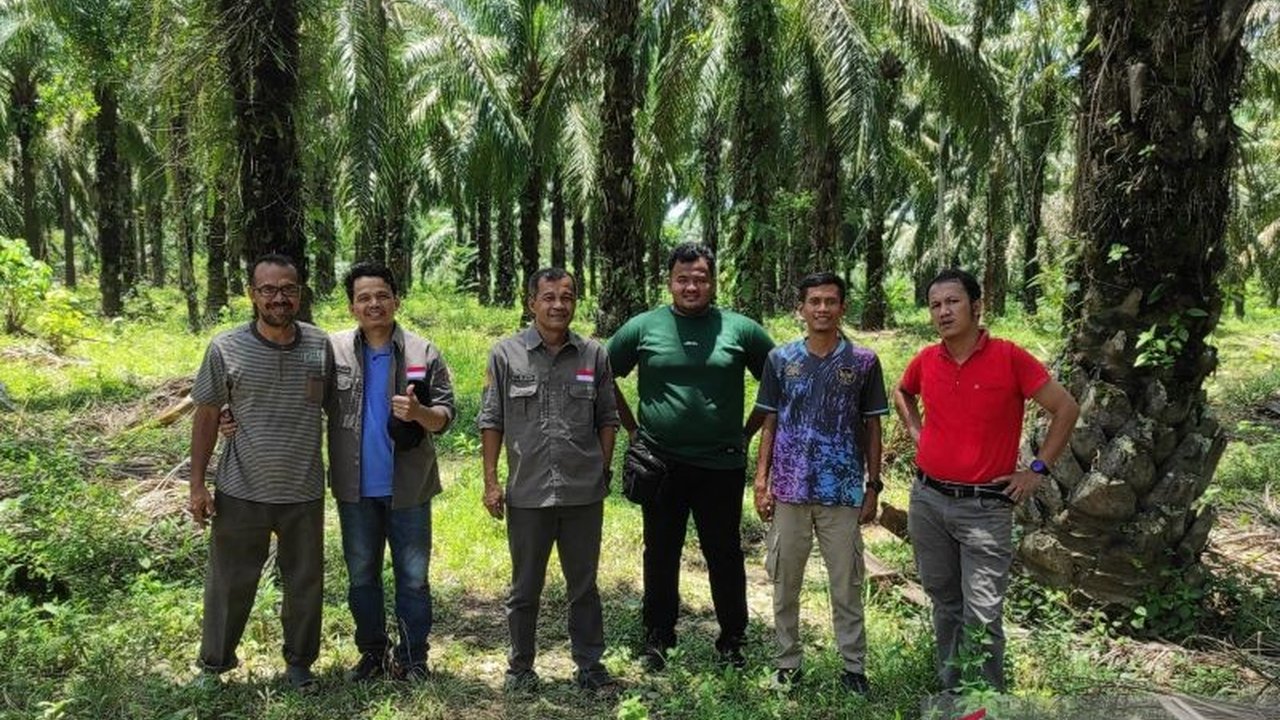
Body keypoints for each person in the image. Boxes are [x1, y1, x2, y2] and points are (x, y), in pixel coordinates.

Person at [893, 268, 1080, 692]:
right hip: (928, 500)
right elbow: (902, 392)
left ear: (977, 307)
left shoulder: (1009, 358)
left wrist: (1036, 470)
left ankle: (985, 702)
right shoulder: (926, 359)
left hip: (985, 508)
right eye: (936, 304)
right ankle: (954, 690)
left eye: (953, 302)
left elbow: (1065, 408)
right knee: (944, 603)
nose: (944, 311)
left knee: (982, 612)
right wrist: (917, 434)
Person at [606, 242, 775, 671]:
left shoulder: (740, 330)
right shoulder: (644, 327)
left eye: (700, 278)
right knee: (660, 552)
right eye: (683, 278)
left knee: (725, 553)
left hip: (721, 464)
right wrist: (632, 428)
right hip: (660, 464)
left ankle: (733, 641)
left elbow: (779, 383)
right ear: (669, 282)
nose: (691, 286)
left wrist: (746, 431)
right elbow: (600, 374)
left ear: (713, 281)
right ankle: (658, 638)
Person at [188, 253, 333, 693]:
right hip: (240, 489)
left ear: (300, 292)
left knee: (305, 583)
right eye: (268, 289)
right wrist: (197, 485)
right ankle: (214, 665)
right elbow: (208, 413)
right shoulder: (225, 347)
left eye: (288, 288)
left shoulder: (319, 345)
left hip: (303, 490)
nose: (278, 298)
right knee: (229, 583)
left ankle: (299, 665)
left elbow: (337, 406)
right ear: (252, 295)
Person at [477, 267, 620, 693]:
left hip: (582, 494)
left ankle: (590, 667)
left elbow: (608, 419)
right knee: (524, 589)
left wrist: (603, 468)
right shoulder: (506, 355)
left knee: (584, 588)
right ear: (531, 302)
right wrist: (491, 482)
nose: (559, 305)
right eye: (549, 297)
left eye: (567, 297)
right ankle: (520, 668)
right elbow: (491, 419)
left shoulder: (594, 355)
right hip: (527, 493)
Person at [752, 272, 887, 695]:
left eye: (831, 301)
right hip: (790, 489)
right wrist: (761, 479)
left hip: (843, 491)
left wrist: (873, 485)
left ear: (842, 307)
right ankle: (787, 662)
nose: (823, 308)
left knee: (845, 582)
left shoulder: (863, 362)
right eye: (815, 301)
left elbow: (872, 427)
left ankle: (853, 669)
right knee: (785, 580)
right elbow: (770, 420)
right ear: (802, 308)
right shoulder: (780, 359)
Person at [327, 262, 455, 681]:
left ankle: (414, 659)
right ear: (352, 307)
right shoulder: (334, 352)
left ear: (396, 301)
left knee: (413, 580)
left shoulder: (424, 351)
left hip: (409, 489)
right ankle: (373, 654)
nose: (374, 303)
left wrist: (419, 412)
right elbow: (302, 401)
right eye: (363, 297)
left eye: (381, 295)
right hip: (355, 489)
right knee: (362, 578)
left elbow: (446, 417)